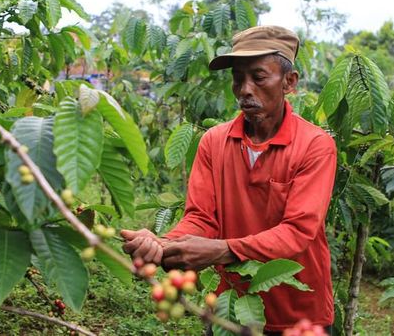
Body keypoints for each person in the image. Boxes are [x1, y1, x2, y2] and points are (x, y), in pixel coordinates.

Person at [121, 25, 337, 335]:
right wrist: (164, 244)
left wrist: (220, 250)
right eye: (238, 78)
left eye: (259, 77)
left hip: (299, 314)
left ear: (289, 82)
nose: (245, 89)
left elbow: (297, 232)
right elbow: (201, 219)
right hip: (231, 308)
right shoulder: (214, 142)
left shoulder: (314, 145)